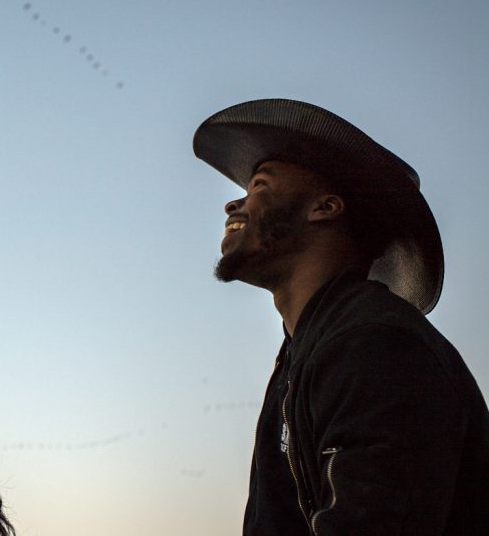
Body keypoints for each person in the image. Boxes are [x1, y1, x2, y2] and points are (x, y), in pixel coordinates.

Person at [193, 98, 489, 535]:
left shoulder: (379, 347)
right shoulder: (307, 353)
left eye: (259, 185)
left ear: (325, 208)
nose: (232, 206)